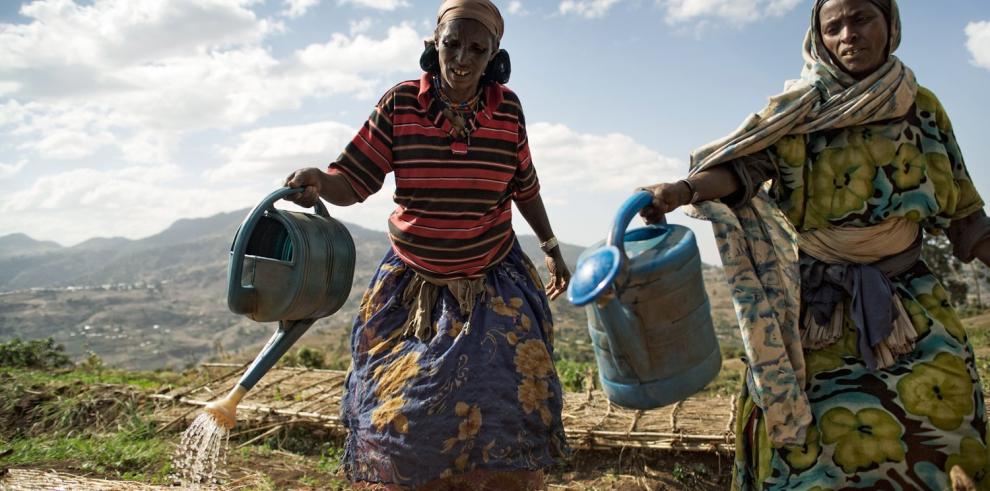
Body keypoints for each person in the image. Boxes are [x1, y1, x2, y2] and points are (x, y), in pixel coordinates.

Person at [639, 0, 990, 489]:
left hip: (910, 302)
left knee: (949, 418)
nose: (849, 34)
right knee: (805, 443)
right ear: (818, 38)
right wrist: (684, 190)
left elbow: (965, 213)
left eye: (862, 18)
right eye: (834, 26)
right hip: (817, 310)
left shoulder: (920, 106)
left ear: (890, 25)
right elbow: (742, 171)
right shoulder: (800, 109)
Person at [282, 1, 571, 489]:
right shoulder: (400, 104)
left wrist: (550, 245)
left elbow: (525, 185)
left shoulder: (509, 110)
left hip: (493, 280)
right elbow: (352, 179)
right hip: (413, 288)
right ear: (432, 46)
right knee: (398, 413)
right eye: (451, 45)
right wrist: (318, 180)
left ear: (496, 56)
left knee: (506, 402)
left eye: (476, 50)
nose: (461, 59)